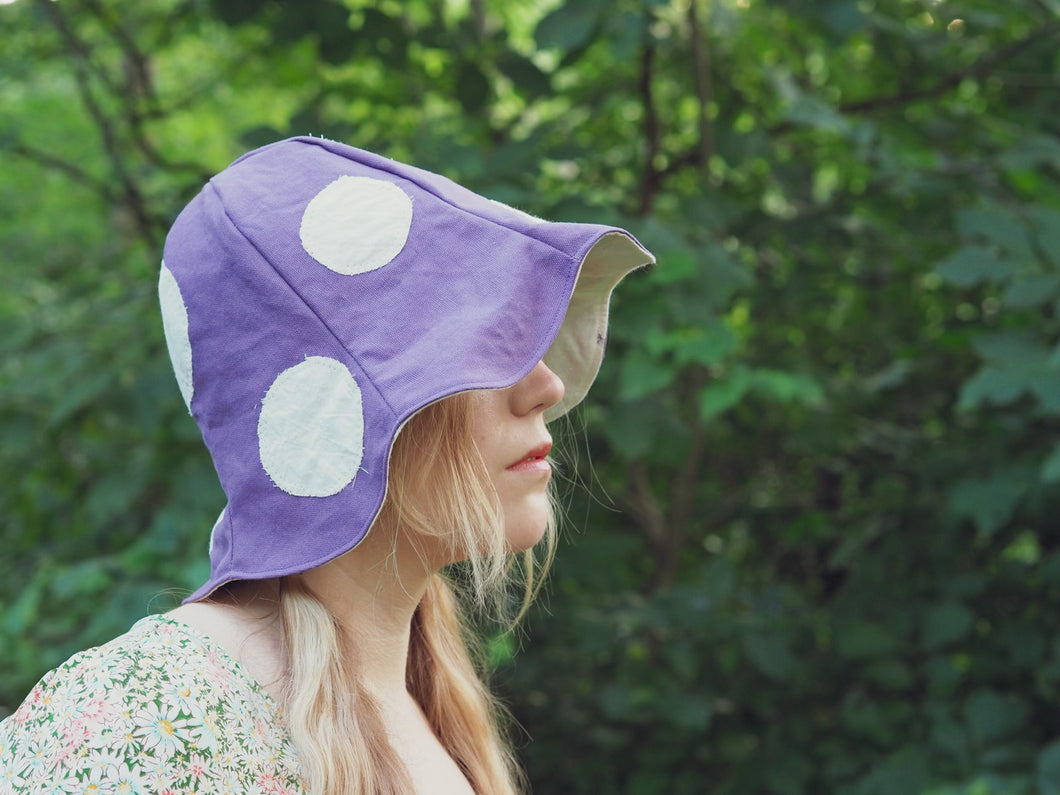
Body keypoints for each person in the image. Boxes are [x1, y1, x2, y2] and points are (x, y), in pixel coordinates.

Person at [0, 136, 654, 794]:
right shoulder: (147, 722)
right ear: (344, 414)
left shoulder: (422, 703)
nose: (544, 385)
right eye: (480, 344)